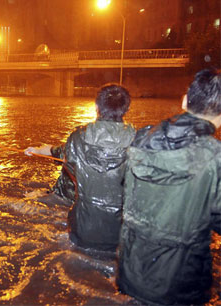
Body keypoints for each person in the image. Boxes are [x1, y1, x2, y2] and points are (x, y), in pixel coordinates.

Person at [117, 68, 221, 305]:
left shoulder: (142, 137)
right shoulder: (214, 157)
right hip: (179, 285)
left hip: (130, 272)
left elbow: (125, 187)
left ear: (185, 101)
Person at [25, 84, 135, 254]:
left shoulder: (78, 138)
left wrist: (36, 150)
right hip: (122, 233)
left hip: (83, 228)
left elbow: (62, 159)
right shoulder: (140, 141)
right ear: (126, 109)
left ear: (97, 107)